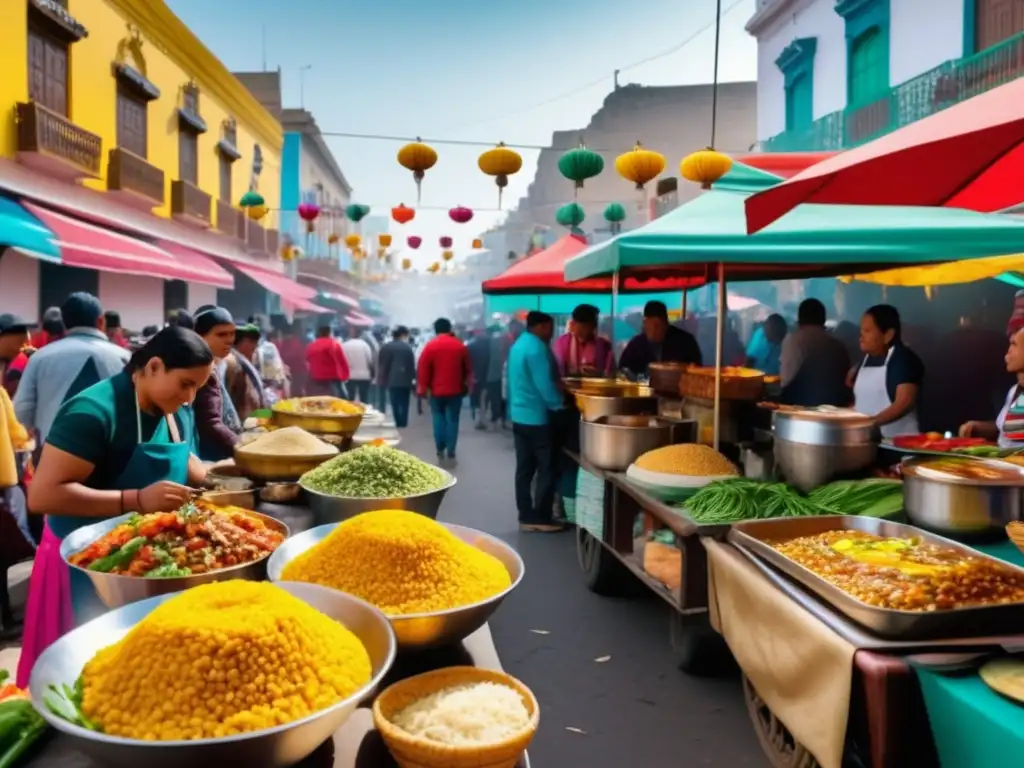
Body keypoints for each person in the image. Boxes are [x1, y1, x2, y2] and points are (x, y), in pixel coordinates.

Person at [17, 326, 213, 685]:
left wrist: (231, 476)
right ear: (153, 366)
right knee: (89, 677)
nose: (190, 397)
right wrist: (135, 500)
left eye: (198, 387)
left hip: (147, 564)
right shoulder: (93, 412)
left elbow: (189, 464)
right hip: (85, 566)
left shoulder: (176, 410)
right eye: (186, 384)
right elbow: (42, 495)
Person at [15, 293, 130, 446]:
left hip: (53, 452)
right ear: (101, 321)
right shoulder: (125, 358)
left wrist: (39, 429)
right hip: (110, 455)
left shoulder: (40, 357)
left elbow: (22, 408)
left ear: (64, 323)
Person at [508, 311, 566, 533]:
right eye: (549, 328)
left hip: (519, 416)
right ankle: (542, 516)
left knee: (524, 469)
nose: (551, 333)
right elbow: (545, 386)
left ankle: (525, 514)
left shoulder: (519, 344)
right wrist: (560, 405)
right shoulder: (537, 349)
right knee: (547, 468)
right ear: (540, 327)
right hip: (537, 419)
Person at [849, 305, 923, 437]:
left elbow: (904, 402)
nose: (861, 337)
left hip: (900, 445)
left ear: (888, 335)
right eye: (861, 331)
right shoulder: (865, 361)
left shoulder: (904, 360)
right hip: (869, 441)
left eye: (867, 331)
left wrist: (871, 423)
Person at [779, 298, 851, 407]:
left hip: (802, 411)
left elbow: (786, 380)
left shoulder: (794, 340)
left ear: (800, 319)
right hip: (836, 409)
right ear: (823, 320)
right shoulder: (838, 345)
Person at [417, 318, 470, 463]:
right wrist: (468, 385)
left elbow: (423, 369)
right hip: (455, 390)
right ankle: (451, 450)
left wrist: (423, 388)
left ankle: (440, 448)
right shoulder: (459, 346)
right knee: (453, 419)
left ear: (435, 330)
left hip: (436, 391)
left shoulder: (430, 346)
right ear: (449, 328)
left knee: (438, 418)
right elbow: (468, 368)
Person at [192, 306, 241, 461]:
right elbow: (210, 423)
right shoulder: (197, 369)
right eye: (221, 334)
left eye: (232, 333)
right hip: (209, 456)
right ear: (199, 337)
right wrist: (243, 448)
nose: (229, 340)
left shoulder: (220, 363)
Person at [961, 327, 1024, 445]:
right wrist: (979, 428)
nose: (1008, 351)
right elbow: (1010, 432)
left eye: (1014, 344)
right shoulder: (1014, 390)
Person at [618, 301, 702, 376]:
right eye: (650, 326)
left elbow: (696, 369)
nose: (654, 331)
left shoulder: (685, 341)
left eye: (658, 325)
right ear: (645, 323)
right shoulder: (636, 344)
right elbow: (623, 369)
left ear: (666, 323)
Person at [552, 304, 614, 377]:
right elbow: (557, 370)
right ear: (574, 323)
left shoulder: (603, 344)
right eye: (584, 326)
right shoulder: (562, 343)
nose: (589, 330)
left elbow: (610, 373)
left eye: (594, 325)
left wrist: (598, 374)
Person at [224, 324, 267, 422]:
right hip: (242, 422)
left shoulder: (249, 363)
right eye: (251, 341)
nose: (254, 346)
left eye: (256, 342)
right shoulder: (233, 364)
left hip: (255, 418)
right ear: (237, 343)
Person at [377, 326, 416, 428]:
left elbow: (383, 365)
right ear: (403, 335)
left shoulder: (386, 347)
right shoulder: (407, 348)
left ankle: (398, 420)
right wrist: (413, 379)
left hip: (392, 380)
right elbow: (411, 365)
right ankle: (403, 421)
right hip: (405, 380)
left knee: (394, 401)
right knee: (404, 401)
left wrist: (382, 378)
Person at [306, 323, 350, 397]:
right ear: (330, 333)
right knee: (342, 400)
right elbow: (341, 361)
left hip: (316, 378)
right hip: (333, 378)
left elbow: (307, 361)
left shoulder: (311, 346)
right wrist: (345, 376)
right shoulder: (334, 344)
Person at [342, 326, 375, 403]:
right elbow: (370, 361)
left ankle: (351, 413)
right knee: (364, 398)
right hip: (364, 376)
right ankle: (364, 413)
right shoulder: (365, 345)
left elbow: (342, 361)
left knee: (350, 397)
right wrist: (372, 374)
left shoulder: (344, 345)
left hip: (350, 376)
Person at [466, 329, 490, 426]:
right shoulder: (489, 347)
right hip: (486, 376)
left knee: (475, 398)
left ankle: (477, 418)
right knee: (484, 398)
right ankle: (482, 418)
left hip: (474, 376)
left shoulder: (470, 346)